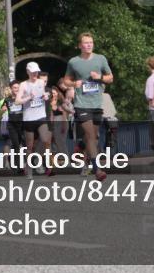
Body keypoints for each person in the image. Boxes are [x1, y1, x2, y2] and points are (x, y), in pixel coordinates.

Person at [61, 32, 113, 181]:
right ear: (80, 45)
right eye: (86, 42)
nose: (89, 44)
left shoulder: (100, 59)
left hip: (96, 103)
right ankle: (97, 169)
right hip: (81, 104)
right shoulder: (73, 62)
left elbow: (110, 78)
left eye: (91, 42)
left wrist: (100, 78)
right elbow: (66, 80)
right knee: (91, 135)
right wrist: (73, 83)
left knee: (94, 137)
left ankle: (82, 145)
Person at [18, 63, 53, 177]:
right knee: (29, 145)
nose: (35, 74)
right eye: (32, 72)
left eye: (36, 72)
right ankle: (29, 168)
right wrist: (28, 97)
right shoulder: (23, 85)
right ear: (28, 72)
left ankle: (44, 164)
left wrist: (45, 96)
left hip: (41, 116)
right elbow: (18, 101)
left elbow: (44, 95)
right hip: (29, 119)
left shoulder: (41, 82)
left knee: (45, 140)